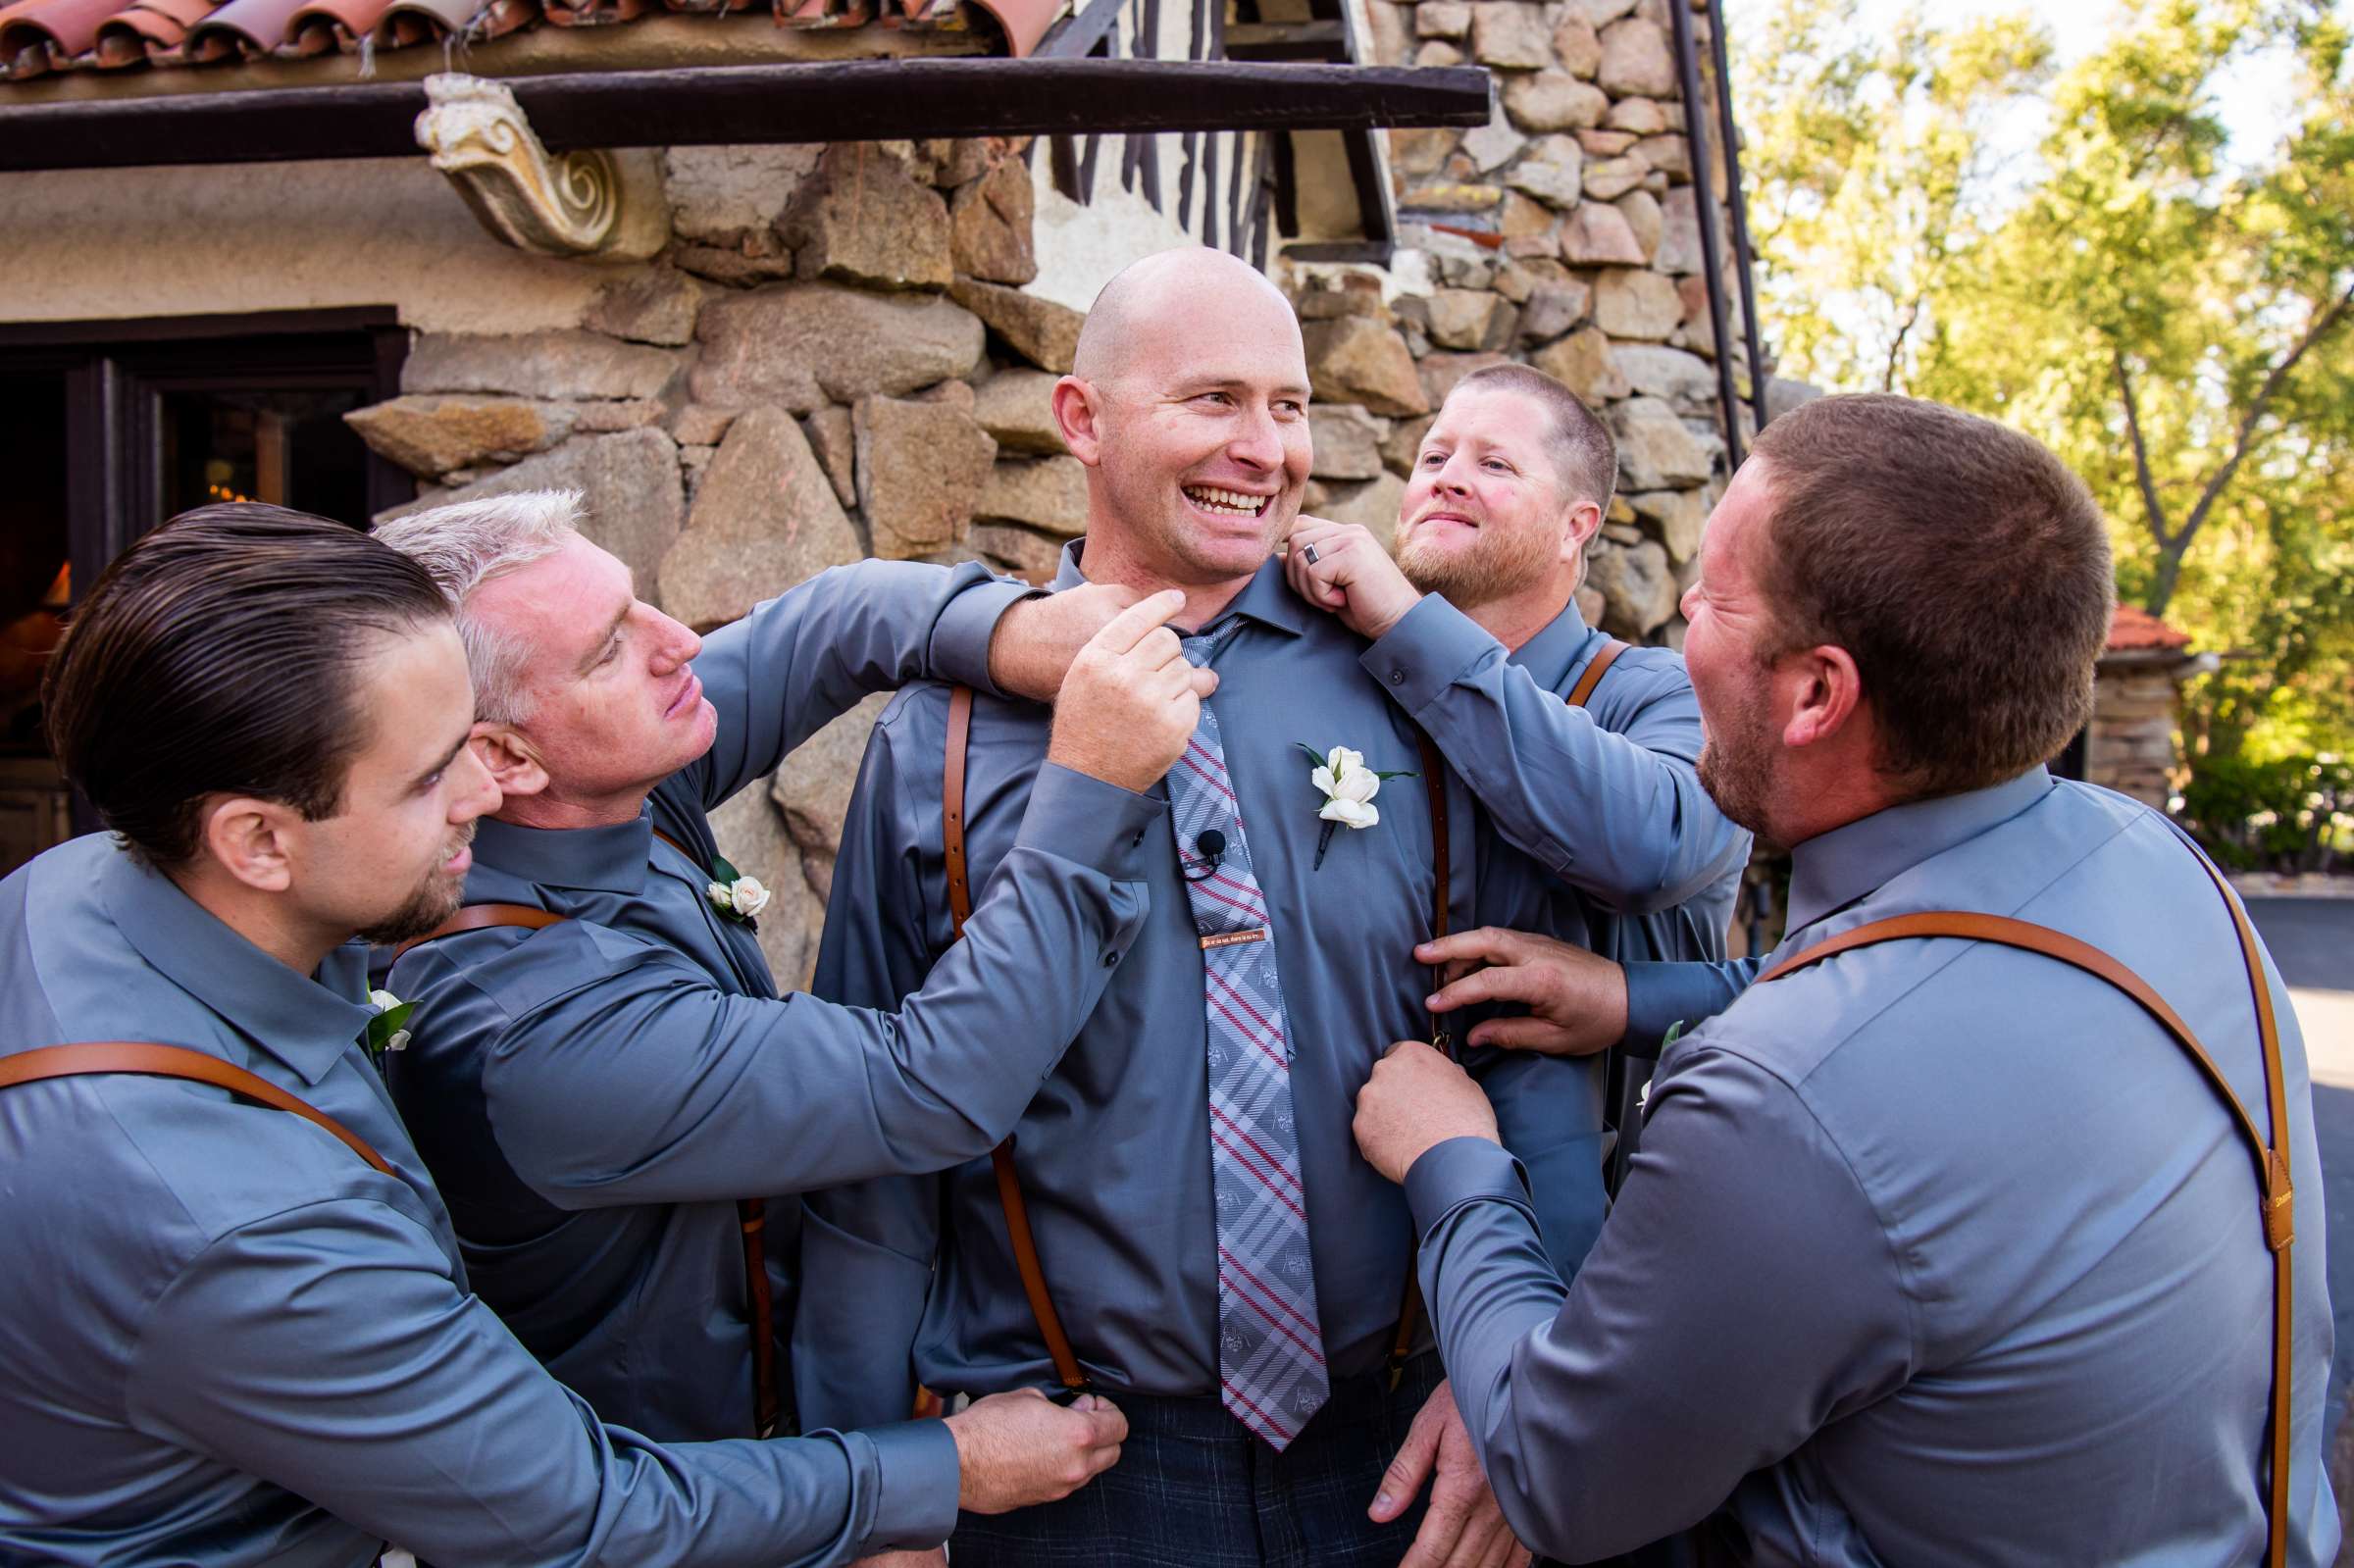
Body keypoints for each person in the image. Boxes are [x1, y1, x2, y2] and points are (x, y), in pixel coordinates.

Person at [795, 248, 1742, 1568]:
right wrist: (876, 1479)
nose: (1264, 448)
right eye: (1215, 400)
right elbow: (869, 1139)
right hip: (1076, 1467)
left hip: (1396, 1446)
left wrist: (1509, 1365)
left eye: (1289, 407)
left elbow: (1503, 1046)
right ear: (1084, 420)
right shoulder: (947, 735)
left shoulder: (1413, 677)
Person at [0, 504, 1128, 1566]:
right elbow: (577, 1517)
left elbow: (824, 628)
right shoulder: (260, 1224)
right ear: (255, 840)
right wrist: (945, 1471)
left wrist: (1015, 627)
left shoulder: (83, 887)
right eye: (438, 771)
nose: (481, 797)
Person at [1352, 393, 2339, 1565]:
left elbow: (1563, 1477)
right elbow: (1905, 974)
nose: (1681, 619)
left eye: (1714, 599)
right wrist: (1633, 1003)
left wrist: (1452, 1160)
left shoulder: (1775, 1102)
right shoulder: (2158, 862)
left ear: (1818, 694)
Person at [373, 490, 1208, 1446]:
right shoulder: (526, 1028)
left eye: (639, 600)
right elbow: (935, 1084)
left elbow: (834, 620)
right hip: (685, 1517)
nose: (678, 642)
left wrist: (1015, 629)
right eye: (611, 648)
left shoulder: (592, 785)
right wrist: (1093, 784)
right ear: (503, 756)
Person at [1283, 360, 1749, 1249]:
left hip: (1597, 1257)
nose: (1447, 476)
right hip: (1340, 1242)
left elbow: (1649, 844)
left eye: (1495, 464)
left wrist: (1410, 628)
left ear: (1579, 526)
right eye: (1433, 456)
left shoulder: (1665, 694)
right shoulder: (1341, 685)